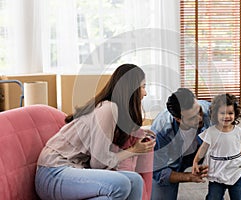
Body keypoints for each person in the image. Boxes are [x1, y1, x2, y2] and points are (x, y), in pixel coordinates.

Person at [35, 64, 156, 200]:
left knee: (135, 181)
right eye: (143, 87)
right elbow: (98, 163)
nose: (145, 93)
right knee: (122, 184)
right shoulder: (108, 109)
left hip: (73, 171)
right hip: (53, 172)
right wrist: (134, 150)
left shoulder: (111, 110)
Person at [150, 88, 210, 200]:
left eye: (199, 111)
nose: (200, 118)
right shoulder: (161, 130)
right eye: (192, 118)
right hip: (170, 161)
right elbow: (158, 171)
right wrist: (189, 177)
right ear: (177, 119)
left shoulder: (211, 110)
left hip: (200, 152)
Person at [192, 93, 241, 200]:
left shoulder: (239, 132)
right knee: (214, 197)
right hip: (217, 172)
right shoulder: (211, 132)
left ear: (235, 114)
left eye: (230, 113)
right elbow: (203, 149)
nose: (227, 116)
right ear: (216, 114)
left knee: (238, 197)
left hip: (235, 171)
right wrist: (196, 162)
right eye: (222, 113)